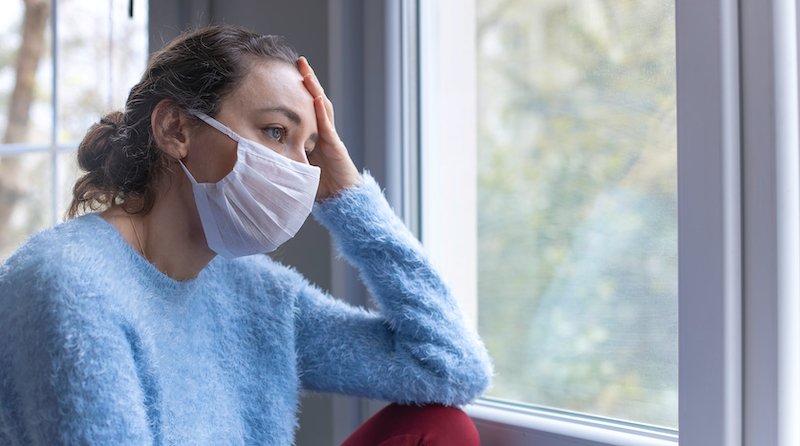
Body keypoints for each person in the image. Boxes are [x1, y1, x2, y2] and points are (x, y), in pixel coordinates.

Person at [0, 25, 493, 445]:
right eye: (277, 132)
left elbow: (451, 368)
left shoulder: (256, 293)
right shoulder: (69, 283)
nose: (302, 171)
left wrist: (348, 196)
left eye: (312, 149)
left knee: (440, 426)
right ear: (176, 129)